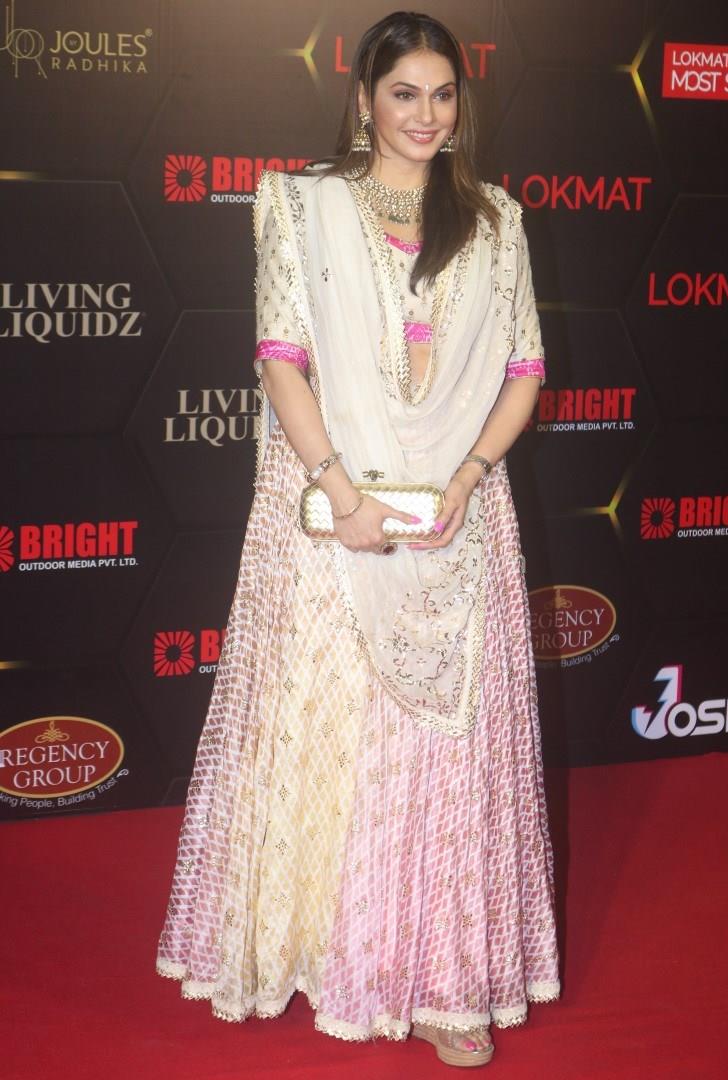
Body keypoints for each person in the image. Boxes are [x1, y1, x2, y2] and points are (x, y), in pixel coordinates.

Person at [156, 11, 560, 1068]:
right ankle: (332, 948)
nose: (426, 116)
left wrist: (467, 479)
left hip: (458, 518)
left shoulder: (496, 221)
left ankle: (443, 982)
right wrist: (340, 493)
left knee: (446, 753)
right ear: (365, 101)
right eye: (404, 94)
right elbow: (281, 358)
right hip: (336, 517)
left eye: (443, 94)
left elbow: (523, 372)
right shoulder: (306, 207)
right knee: (341, 737)